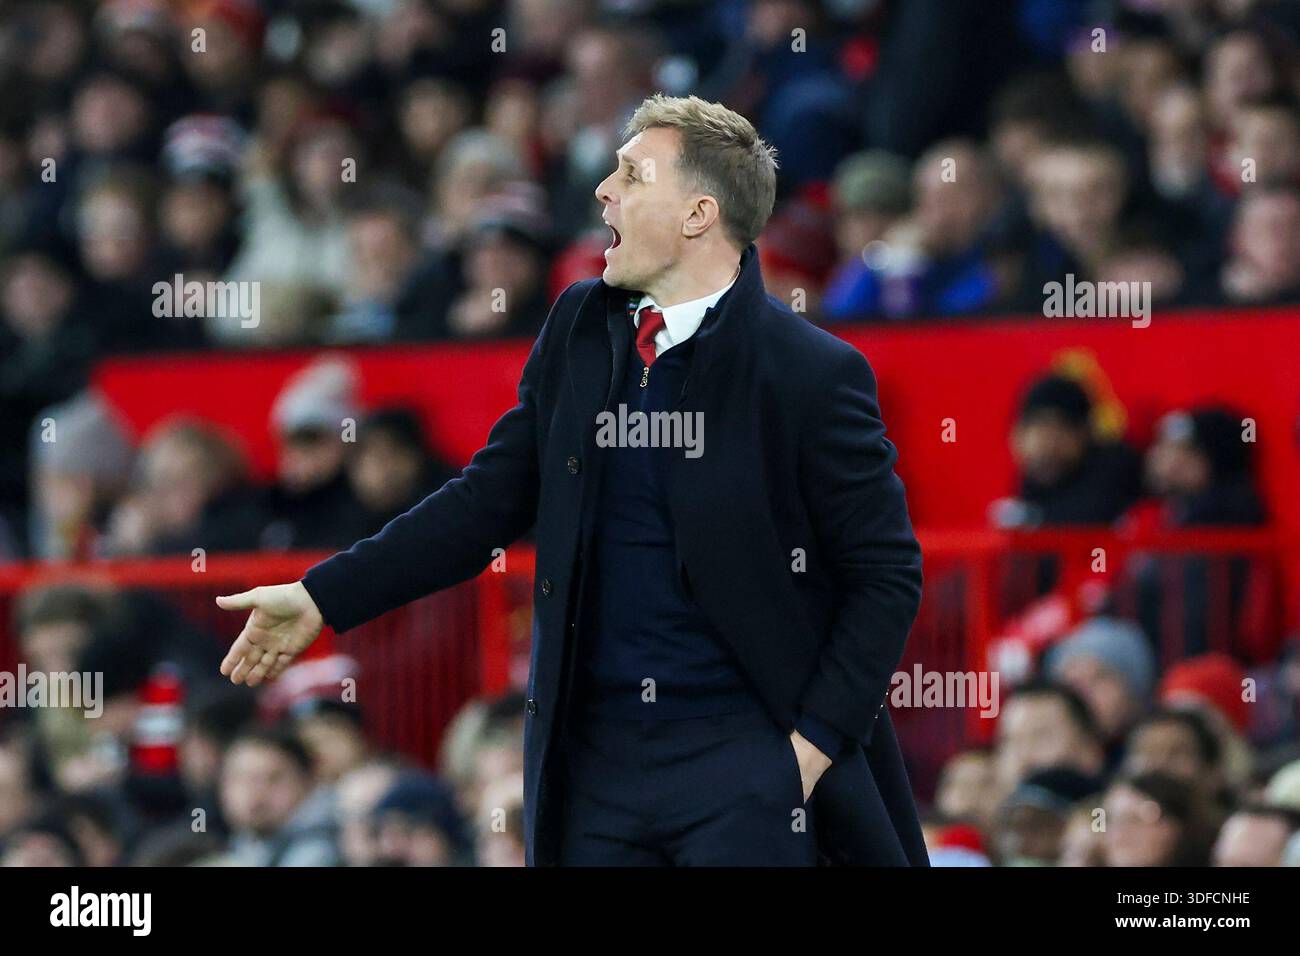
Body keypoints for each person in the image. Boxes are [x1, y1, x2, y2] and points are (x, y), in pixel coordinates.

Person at [216, 93, 925, 867]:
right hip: (592, 768)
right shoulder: (580, 327)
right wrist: (324, 596)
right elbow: (487, 500)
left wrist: (807, 751)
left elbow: (886, 574)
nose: (602, 191)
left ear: (697, 213)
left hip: (746, 764)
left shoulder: (813, 373)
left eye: (630, 175)